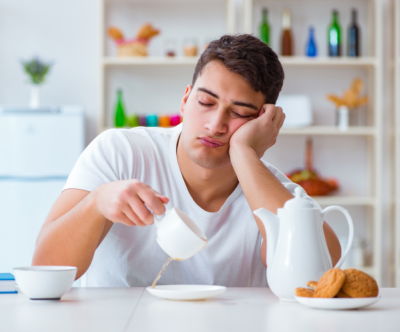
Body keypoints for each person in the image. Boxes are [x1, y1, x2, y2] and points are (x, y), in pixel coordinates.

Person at [32, 34, 341, 287]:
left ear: (263, 123)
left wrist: (245, 154)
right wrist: (96, 203)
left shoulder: (268, 188)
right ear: (185, 98)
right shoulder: (121, 151)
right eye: (206, 102)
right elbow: (44, 268)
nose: (215, 124)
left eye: (239, 114)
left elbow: (313, 280)